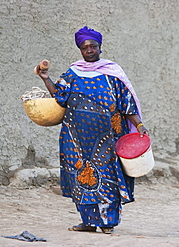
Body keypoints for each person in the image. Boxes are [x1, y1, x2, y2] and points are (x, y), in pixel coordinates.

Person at [35, 26, 149, 234]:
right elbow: (59, 97)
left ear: (100, 48)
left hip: (108, 138)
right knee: (81, 178)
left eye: (93, 46)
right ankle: (88, 222)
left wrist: (139, 125)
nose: (89, 50)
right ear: (80, 50)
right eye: (85, 47)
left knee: (108, 178)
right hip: (76, 139)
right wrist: (45, 78)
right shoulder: (72, 73)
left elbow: (127, 105)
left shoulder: (112, 74)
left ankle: (108, 223)